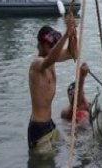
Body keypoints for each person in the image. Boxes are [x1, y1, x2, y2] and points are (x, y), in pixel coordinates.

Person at [28, 19, 77, 152]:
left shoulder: (51, 57)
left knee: (72, 147)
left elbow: (73, 53)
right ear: (41, 45)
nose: (53, 48)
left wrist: (73, 33)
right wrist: (67, 34)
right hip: (39, 128)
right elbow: (50, 59)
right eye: (51, 45)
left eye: (54, 45)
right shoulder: (37, 64)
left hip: (50, 124)